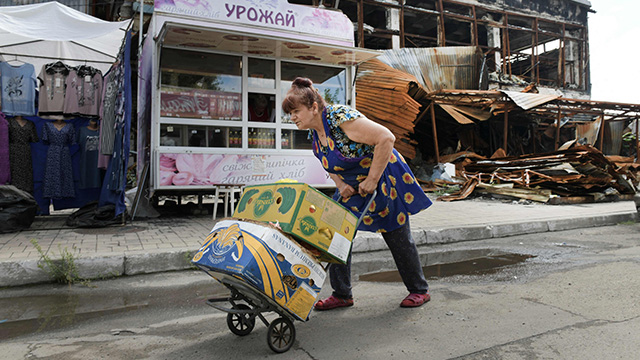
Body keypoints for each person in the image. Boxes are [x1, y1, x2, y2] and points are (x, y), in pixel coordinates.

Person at [282, 77, 433, 310]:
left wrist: (372, 179)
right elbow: (328, 163)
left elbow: (386, 138)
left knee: (396, 236)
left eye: (295, 111)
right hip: (353, 184)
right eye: (289, 113)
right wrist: (341, 184)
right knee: (335, 236)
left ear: (313, 108)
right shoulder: (314, 132)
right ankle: (342, 294)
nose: (292, 117)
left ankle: (419, 290)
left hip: (383, 178)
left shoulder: (340, 118)